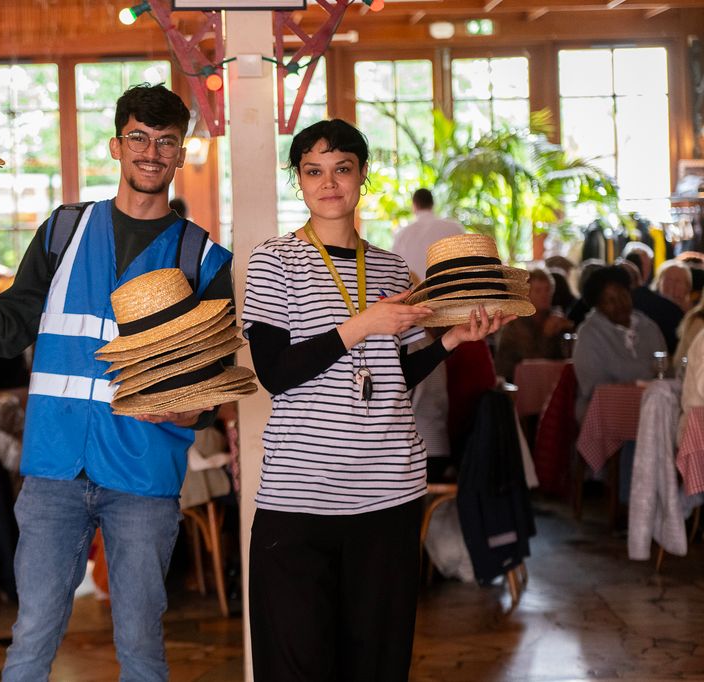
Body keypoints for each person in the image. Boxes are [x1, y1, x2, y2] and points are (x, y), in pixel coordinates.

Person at [0, 84, 233, 681]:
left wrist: (188, 413)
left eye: (166, 142)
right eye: (138, 138)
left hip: (143, 475)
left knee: (141, 646)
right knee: (31, 638)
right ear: (116, 145)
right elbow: (6, 330)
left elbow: (209, 385)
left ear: (182, 154)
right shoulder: (63, 232)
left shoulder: (204, 260)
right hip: (53, 471)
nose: (150, 152)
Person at [241, 119, 511, 681]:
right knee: (295, 665)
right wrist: (362, 324)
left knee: (378, 664)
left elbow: (396, 373)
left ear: (363, 175)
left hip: (388, 490)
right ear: (299, 180)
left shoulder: (390, 266)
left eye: (342, 168)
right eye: (313, 171)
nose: (328, 182)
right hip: (300, 498)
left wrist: (452, 341)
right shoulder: (274, 262)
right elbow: (274, 373)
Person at [572, 266, 666, 420]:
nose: (620, 304)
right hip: (604, 411)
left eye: (623, 296)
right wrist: (637, 384)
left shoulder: (648, 326)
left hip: (650, 404)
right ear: (599, 306)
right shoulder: (588, 333)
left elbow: (663, 367)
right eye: (610, 300)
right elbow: (594, 387)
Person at [494, 268, 573, 382]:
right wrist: (547, 335)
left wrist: (568, 331)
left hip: (550, 380)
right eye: (538, 291)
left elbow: (563, 358)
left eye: (547, 290)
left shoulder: (553, 317)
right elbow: (531, 363)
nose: (544, 295)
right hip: (515, 383)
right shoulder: (516, 322)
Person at [390, 188, 465, 281]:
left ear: (414, 205)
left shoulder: (402, 234)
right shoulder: (455, 228)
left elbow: (394, 269)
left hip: (414, 293)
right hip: (449, 291)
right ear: (432, 204)